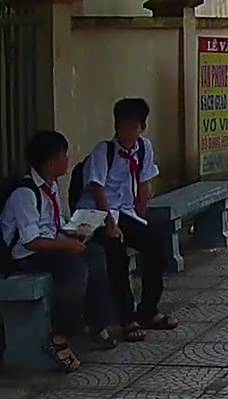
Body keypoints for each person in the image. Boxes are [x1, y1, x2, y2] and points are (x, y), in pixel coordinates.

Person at [1, 131, 113, 371]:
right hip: (25, 256)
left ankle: (95, 321)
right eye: (64, 156)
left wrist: (75, 233)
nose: (67, 160)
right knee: (74, 269)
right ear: (51, 161)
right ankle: (60, 334)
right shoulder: (25, 193)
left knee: (95, 254)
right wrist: (67, 246)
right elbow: (31, 242)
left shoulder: (51, 187)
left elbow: (56, 225)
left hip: (49, 245)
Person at [78, 97, 177, 342]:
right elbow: (98, 190)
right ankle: (126, 317)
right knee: (116, 252)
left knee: (156, 244)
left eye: (133, 126)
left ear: (142, 127)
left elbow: (144, 183)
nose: (127, 132)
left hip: (126, 212)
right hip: (98, 214)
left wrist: (142, 213)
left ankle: (148, 310)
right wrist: (110, 225)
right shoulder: (104, 151)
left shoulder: (144, 148)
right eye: (123, 126)